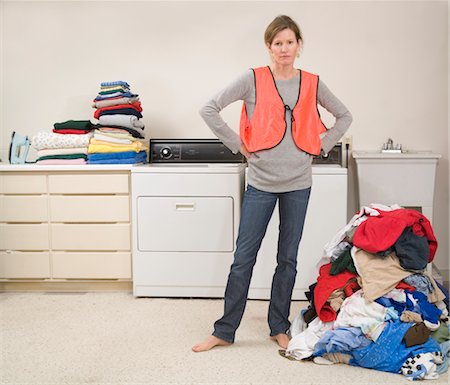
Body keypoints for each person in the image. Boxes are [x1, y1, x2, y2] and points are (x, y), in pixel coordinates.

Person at [192, 15, 352, 352]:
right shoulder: (252, 79)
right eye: (277, 43)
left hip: (299, 182)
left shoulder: (312, 82)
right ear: (269, 47)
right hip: (261, 182)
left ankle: (278, 326)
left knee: (288, 258)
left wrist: (321, 145)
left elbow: (345, 116)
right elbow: (209, 109)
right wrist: (239, 145)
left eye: (289, 42)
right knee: (244, 258)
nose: (283, 48)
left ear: (298, 46)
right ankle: (224, 329)